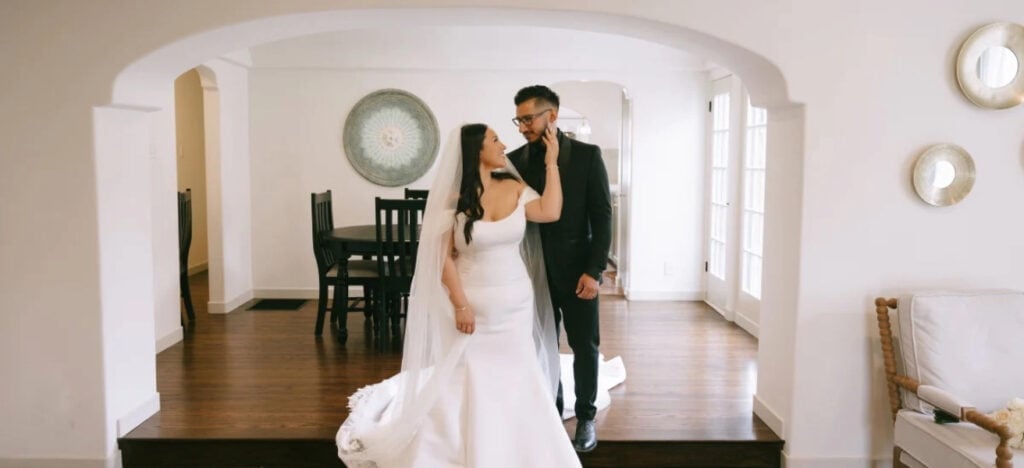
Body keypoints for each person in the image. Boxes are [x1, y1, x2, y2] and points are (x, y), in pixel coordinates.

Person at [336, 122, 581, 468]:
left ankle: (520, 446)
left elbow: (550, 211)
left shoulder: (514, 187)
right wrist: (460, 304)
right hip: (473, 303)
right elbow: (441, 260)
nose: (502, 146)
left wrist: (552, 162)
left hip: (516, 302)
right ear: (476, 151)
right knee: (467, 372)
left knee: (518, 371)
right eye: (495, 140)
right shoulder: (452, 200)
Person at [506, 85, 612, 453]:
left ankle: (585, 417)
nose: (521, 126)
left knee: (585, 345)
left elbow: (602, 218)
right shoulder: (514, 160)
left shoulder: (587, 156)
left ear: (551, 115)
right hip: (531, 274)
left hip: (578, 271)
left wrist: (594, 270)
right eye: (518, 119)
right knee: (542, 344)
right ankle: (551, 410)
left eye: (527, 118)